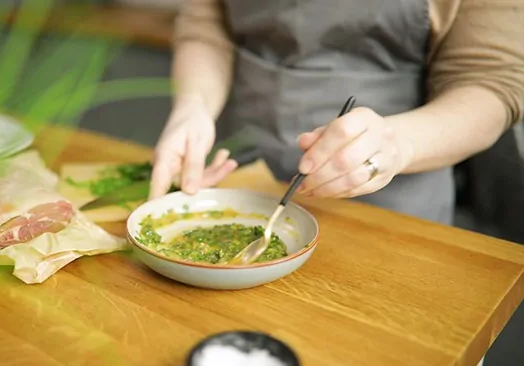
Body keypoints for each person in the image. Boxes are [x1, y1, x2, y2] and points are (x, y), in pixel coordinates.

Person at [148, 0, 524, 225]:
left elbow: (491, 83)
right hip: (244, 173)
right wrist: (192, 107)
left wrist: (397, 146)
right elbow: (208, 25)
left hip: (393, 201)